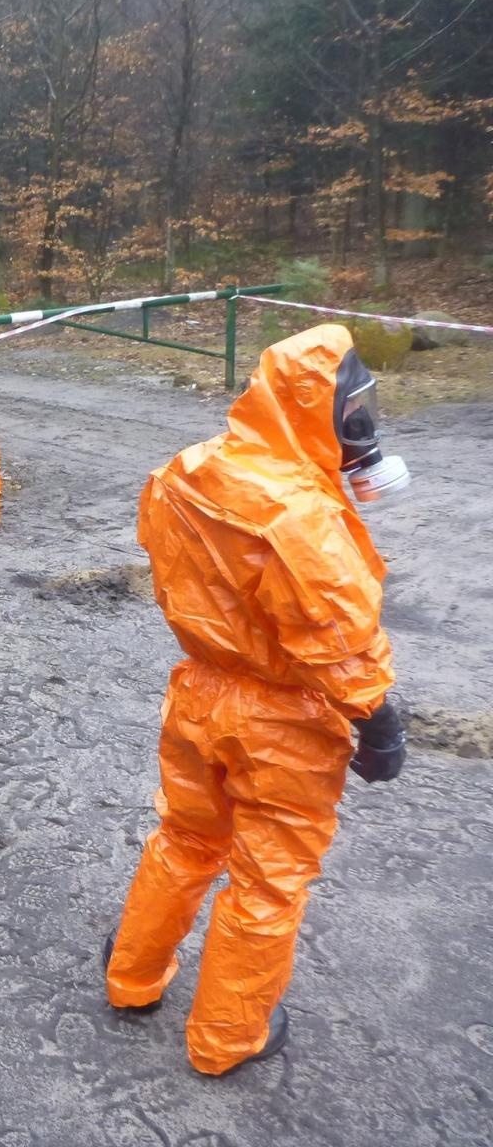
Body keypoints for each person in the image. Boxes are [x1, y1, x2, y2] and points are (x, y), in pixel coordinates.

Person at [104, 323, 410, 1074]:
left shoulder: (188, 470)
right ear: (318, 406)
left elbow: (164, 552)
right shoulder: (304, 516)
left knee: (184, 840)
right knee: (267, 880)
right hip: (286, 719)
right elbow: (337, 637)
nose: (361, 425)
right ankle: (225, 1038)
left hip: (200, 693)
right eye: (353, 407)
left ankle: (132, 977)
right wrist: (380, 721)